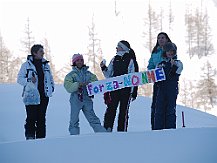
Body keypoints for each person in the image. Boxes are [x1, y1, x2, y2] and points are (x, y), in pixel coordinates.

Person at [17, 44, 55, 140]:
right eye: (41, 51)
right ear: (34, 53)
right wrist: (29, 79)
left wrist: (52, 88)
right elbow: (19, 79)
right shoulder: (26, 65)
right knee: (31, 117)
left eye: (43, 51)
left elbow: (50, 78)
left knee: (41, 118)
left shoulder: (46, 65)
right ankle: (30, 137)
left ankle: (41, 139)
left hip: (44, 96)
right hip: (31, 96)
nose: (43, 53)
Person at [100, 40, 139, 132]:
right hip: (115, 88)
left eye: (118, 46)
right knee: (111, 109)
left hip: (126, 90)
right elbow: (109, 74)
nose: (116, 48)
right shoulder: (114, 59)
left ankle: (122, 131)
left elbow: (134, 76)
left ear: (123, 48)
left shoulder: (130, 60)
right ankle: (107, 128)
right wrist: (103, 67)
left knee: (123, 111)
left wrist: (133, 91)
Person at [64, 53, 106, 135]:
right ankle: (74, 137)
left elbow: (96, 83)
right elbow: (68, 87)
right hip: (76, 99)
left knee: (93, 118)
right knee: (74, 120)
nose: (80, 62)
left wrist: (90, 84)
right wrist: (78, 84)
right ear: (74, 62)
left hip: (87, 98)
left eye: (81, 60)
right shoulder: (71, 75)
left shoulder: (89, 74)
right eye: (78, 60)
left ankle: (102, 134)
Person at [154, 42, 183, 130]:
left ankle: (170, 129)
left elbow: (177, 72)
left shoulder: (178, 63)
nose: (170, 53)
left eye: (172, 51)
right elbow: (156, 76)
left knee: (170, 109)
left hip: (172, 88)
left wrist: (173, 66)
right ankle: (158, 129)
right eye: (168, 51)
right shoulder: (160, 64)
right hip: (161, 88)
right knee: (159, 109)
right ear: (164, 52)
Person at [147, 32, 172, 130]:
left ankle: (167, 127)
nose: (160, 40)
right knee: (156, 104)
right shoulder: (155, 52)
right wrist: (151, 71)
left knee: (167, 105)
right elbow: (150, 65)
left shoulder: (170, 49)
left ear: (167, 39)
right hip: (157, 81)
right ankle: (155, 127)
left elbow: (173, 62)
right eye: (159, 38)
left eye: (162, 38)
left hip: (168, 81)